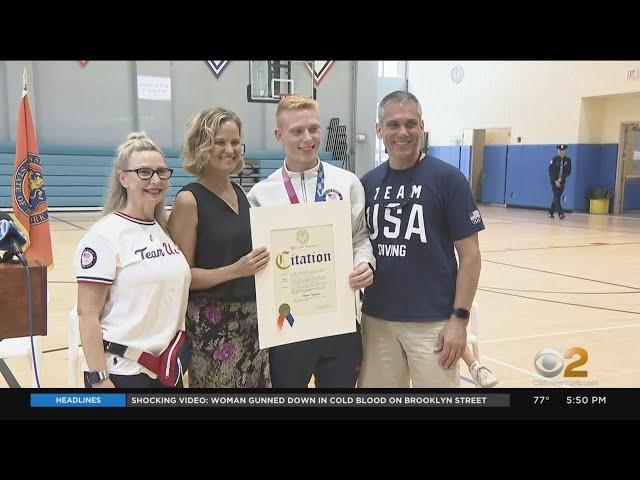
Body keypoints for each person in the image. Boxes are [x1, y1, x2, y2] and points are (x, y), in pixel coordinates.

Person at [247, 95, 375, 388]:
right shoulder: (260, 195)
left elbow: (360, 238)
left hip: (340, 321)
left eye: (314, 129)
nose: (308, 138)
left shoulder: (348, 183)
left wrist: (364, 264)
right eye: (297, 131)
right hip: (287, 329)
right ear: (279, 135)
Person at [358, 91, 484, 388]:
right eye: (393, 125)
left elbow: (471, 256)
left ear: (422, 126)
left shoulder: (448, 179)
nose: (403, 132)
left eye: (410, 124)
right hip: (377, 322)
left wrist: (459, 321)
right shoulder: (367, 184)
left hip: (434, 324)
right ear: (379, 130)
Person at [74, 132, 191, 388]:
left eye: (161, 172)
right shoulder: (104, 236)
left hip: (166, 370)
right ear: (123, 178)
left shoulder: (162, 230)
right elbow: (87, 314)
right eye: (144, 172)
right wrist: (99, 379)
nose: (155, 180)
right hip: (122, 372)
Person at [168, 108, 271, 388]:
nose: (230, 149)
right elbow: (183, 277)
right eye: (220, 142)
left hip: (253, 321)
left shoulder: (240, 193)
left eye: (235, 142)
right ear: (202, 145)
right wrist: (235, 270)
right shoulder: (189, 200)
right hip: (213, 324)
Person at [548, 144, 572, 219]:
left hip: (562, 181)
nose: (562, 152)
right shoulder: (554, 159)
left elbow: (568, 171)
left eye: (563, 151)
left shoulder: (568, 160)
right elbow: (551, 171)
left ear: (565, 151)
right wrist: (555, 180)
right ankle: (560, 213)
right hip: (554, 181)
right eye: (560, 150)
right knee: (556, 196)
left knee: (557, 197)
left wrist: (561, 178)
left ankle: (551, 212)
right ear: (558, 151)